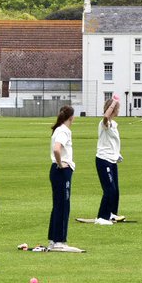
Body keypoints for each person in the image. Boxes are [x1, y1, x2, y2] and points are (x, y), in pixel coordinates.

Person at [47, 106, 82, 251]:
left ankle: (53, 239)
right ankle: (59, 241)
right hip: (62, 171)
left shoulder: (59, 129)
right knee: (63, 205)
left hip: (58, 171)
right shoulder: (63, 131)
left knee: (58, 205)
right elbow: (57, 149)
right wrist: (61, 164)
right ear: (71, 117)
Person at [94, 95, 123, 225]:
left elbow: (112, 142)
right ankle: (101, 217)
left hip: (112, 159)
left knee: (115, 190)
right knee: (109, 189)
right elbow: (106, 116)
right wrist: (114, 102)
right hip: (103, 159)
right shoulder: (104, 123)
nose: (118, 110)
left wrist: (117, 154)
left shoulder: (114, 124)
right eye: (117, 108)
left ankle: (111, 214)